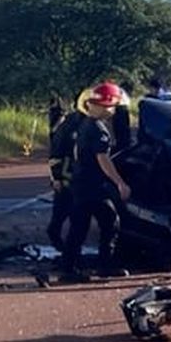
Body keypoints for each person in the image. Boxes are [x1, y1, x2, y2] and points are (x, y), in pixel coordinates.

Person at [59, 81, 133, 283]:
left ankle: (73, 267)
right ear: (104, 105)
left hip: (82, 184)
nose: (113, 111)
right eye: (112, 106)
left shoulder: (85, 124)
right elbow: (103, 159)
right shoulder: (98, 130)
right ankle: (99, 265)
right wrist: (119, 182)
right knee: (109, 222)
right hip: (92, 186)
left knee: (82, 226)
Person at [46, 86, 91, 250]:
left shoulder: (92, 123)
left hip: (81, 178)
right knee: (63, 212)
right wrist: (56, 177)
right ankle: (58, 239)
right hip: (67, 177)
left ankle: (71, 251)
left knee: (75, 216)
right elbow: (56, 151)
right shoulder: (70, 124)